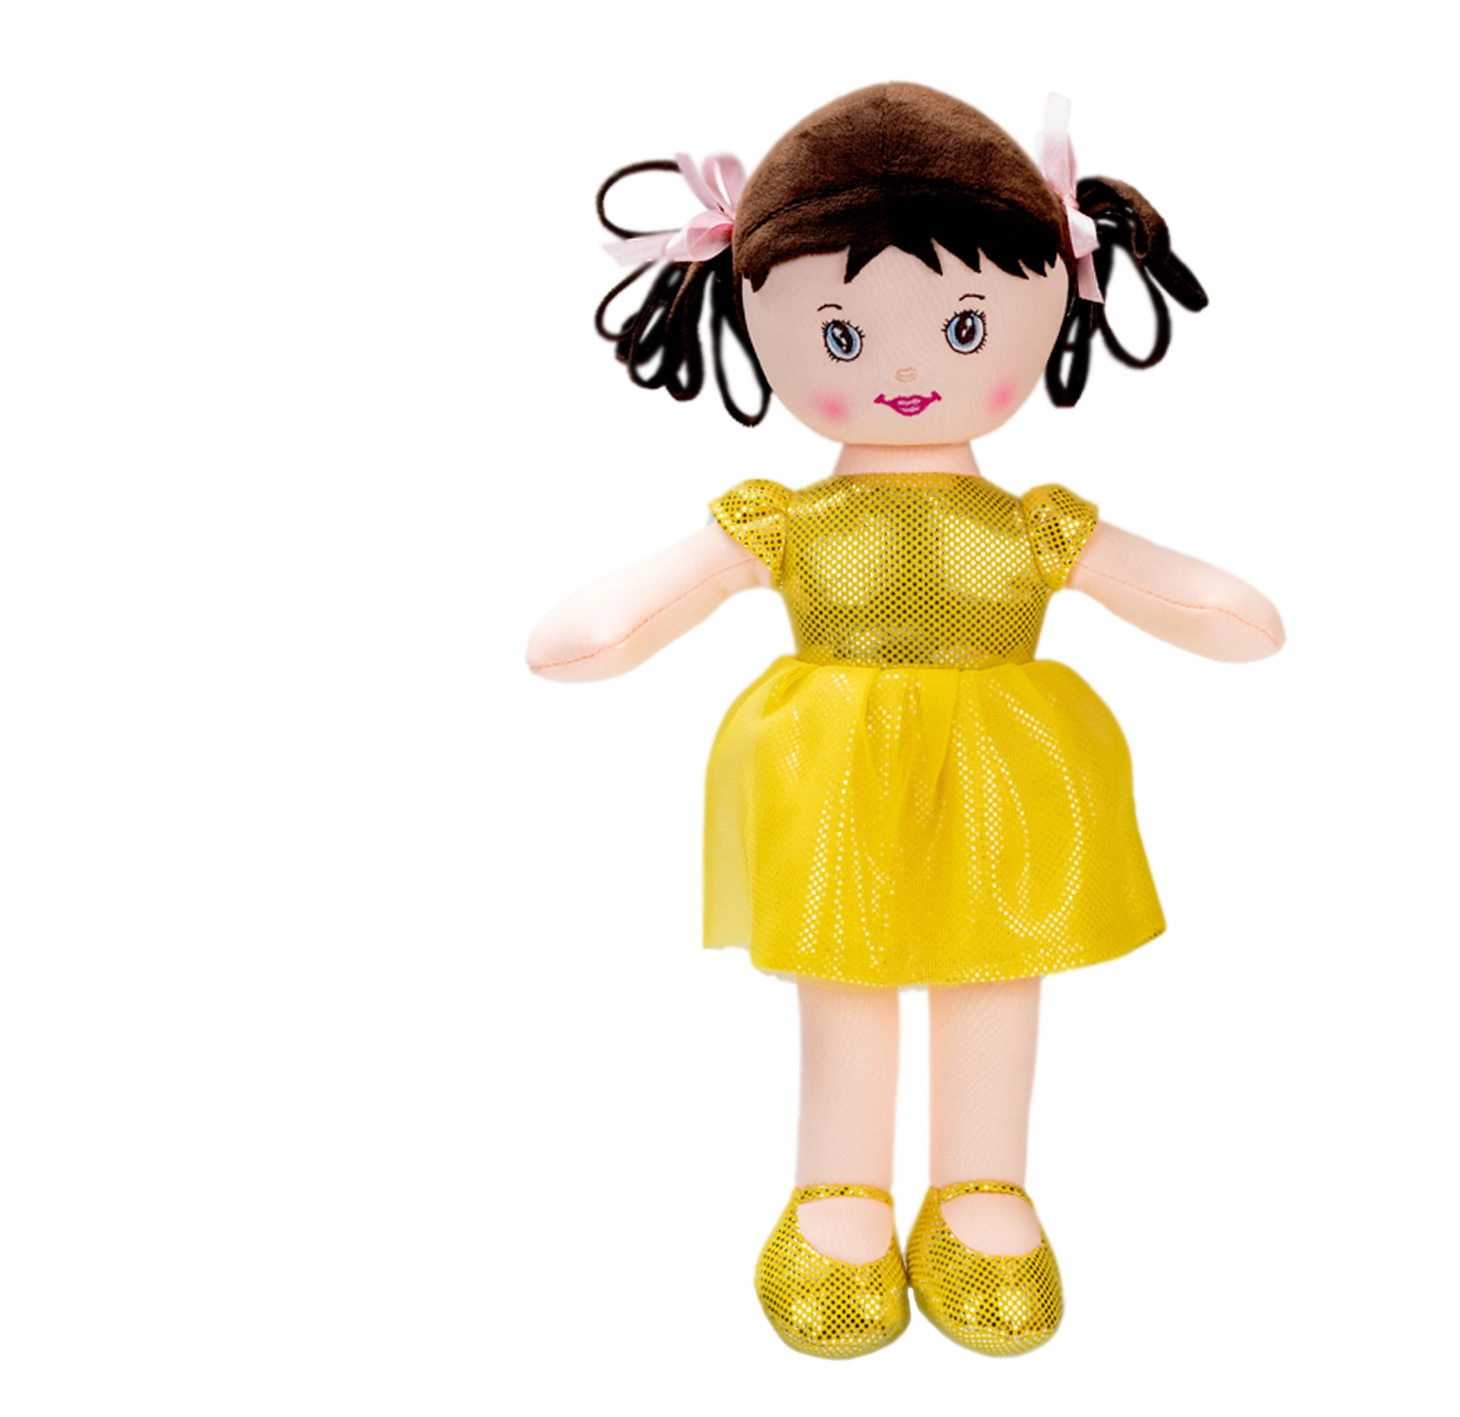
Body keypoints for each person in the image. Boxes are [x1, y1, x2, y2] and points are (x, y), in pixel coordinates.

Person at [527, 82, 1285, 1358]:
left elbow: (1203, 602)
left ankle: (982, 1188)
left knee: (997, 971)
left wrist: (1225, 610)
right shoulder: (786, 520)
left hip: (1002, 774)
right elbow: (612, 620)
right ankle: (842, 1196)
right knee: (848, 981)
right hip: (836, 780)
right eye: (841, 336)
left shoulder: (1032, 525)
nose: (907, 368)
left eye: (966, 324)